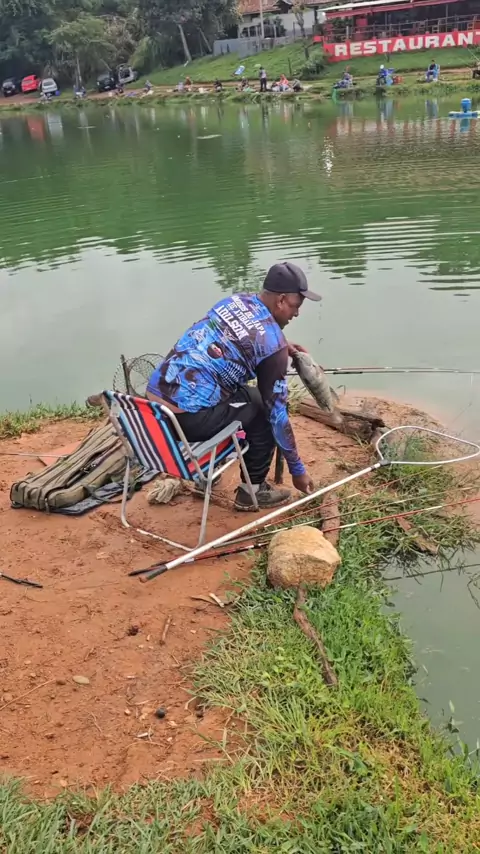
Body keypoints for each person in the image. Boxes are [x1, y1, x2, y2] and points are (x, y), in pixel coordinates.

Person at [146, 263, 320, 510]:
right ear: (281, 300)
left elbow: (244, 335)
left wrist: (282, 345)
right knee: (264, 409)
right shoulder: (273, 346)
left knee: (238, 393)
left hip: (151, 410)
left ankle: (212, 469)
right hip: (184, 421)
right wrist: (297, 470)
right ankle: (252, 491)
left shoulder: (234, 302)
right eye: (295, 305)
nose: (297, 313)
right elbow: (277, 415)